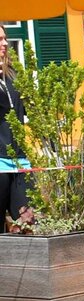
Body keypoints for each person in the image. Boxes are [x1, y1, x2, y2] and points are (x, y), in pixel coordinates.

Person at [0, 26, 32, 234]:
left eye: (5, 38)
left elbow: (32, 108)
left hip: (19, 159)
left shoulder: (14, 74)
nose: (4, 43)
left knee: (27, 220)